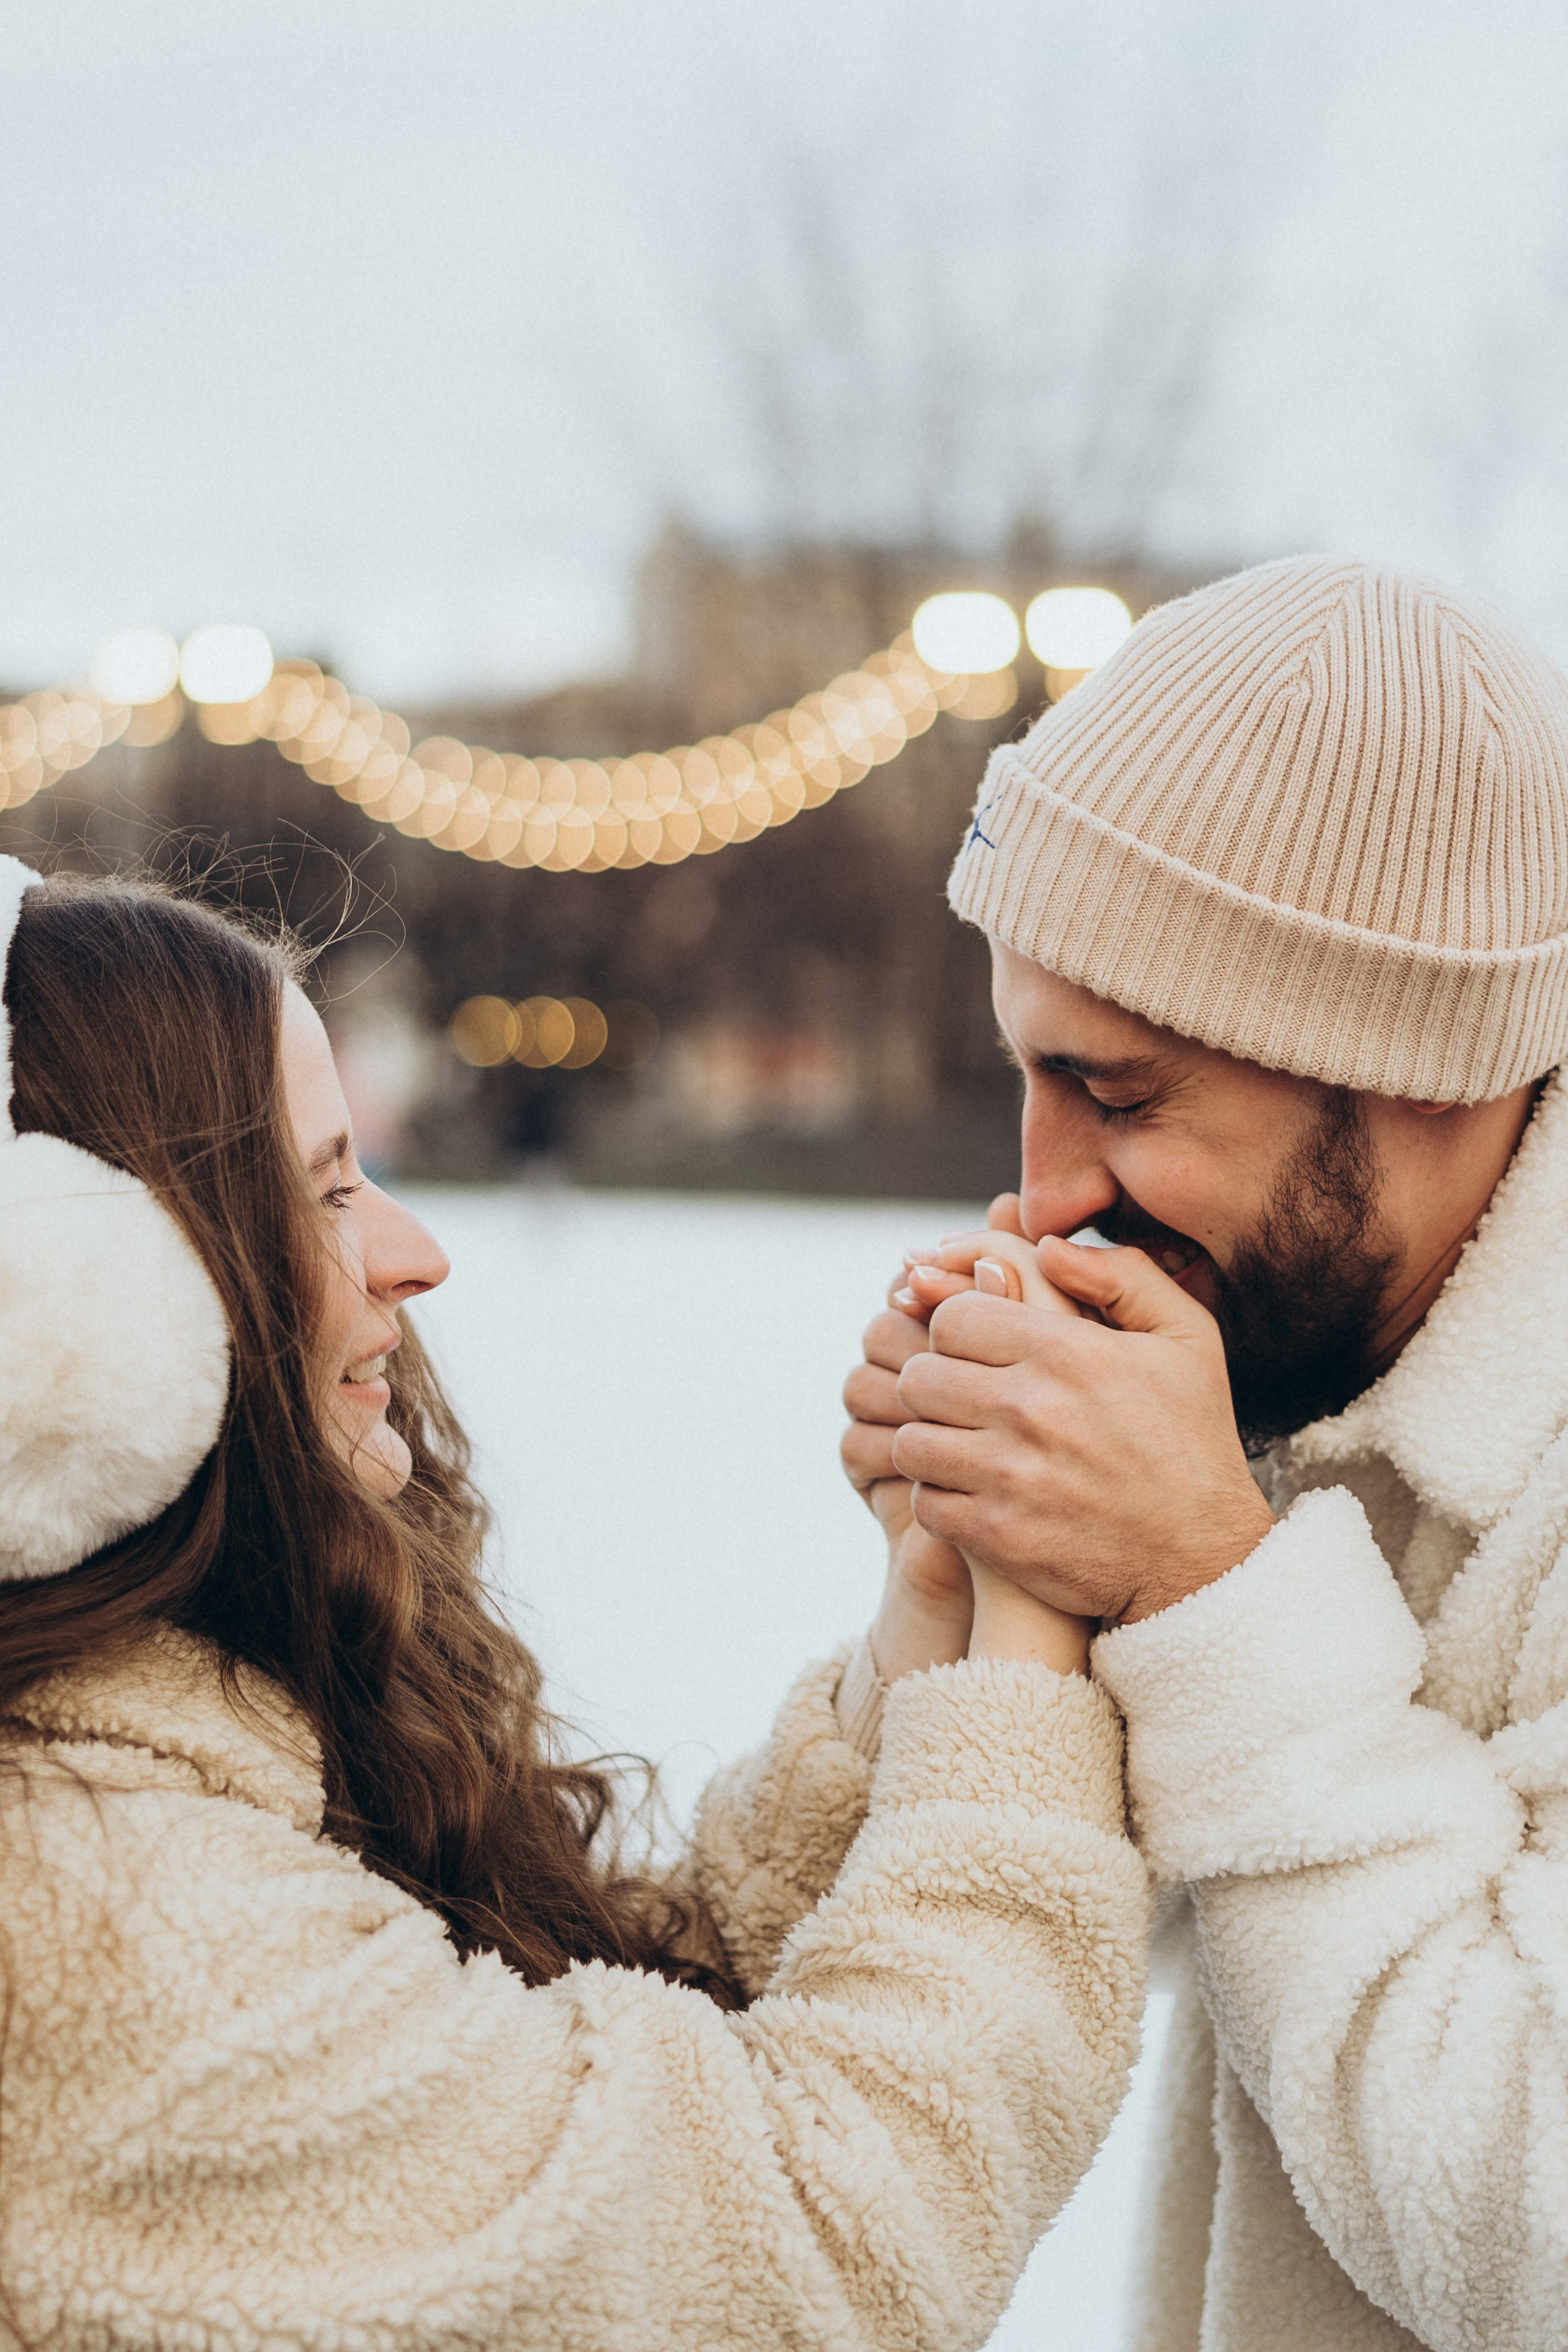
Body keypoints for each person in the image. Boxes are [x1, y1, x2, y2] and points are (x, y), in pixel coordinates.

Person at [0, 858, 1147, 2351]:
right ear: (74, 1310)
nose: (416, 1252)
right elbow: (797, 2243)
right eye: (325, 1186)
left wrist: (925, 1621)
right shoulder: (96, 1927)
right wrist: (1033, 1651)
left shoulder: (147, 1763)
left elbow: (581, 2064)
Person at [843, 554, 1568, 2351]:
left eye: (1123, 1090)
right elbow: (1114, 1960)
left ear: (1416, 1059)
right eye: (1030, 1073)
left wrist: (1202, 1584)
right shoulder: (1327, 1350)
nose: (1047, 1190)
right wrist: (984, 1598)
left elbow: (1535, 2217)